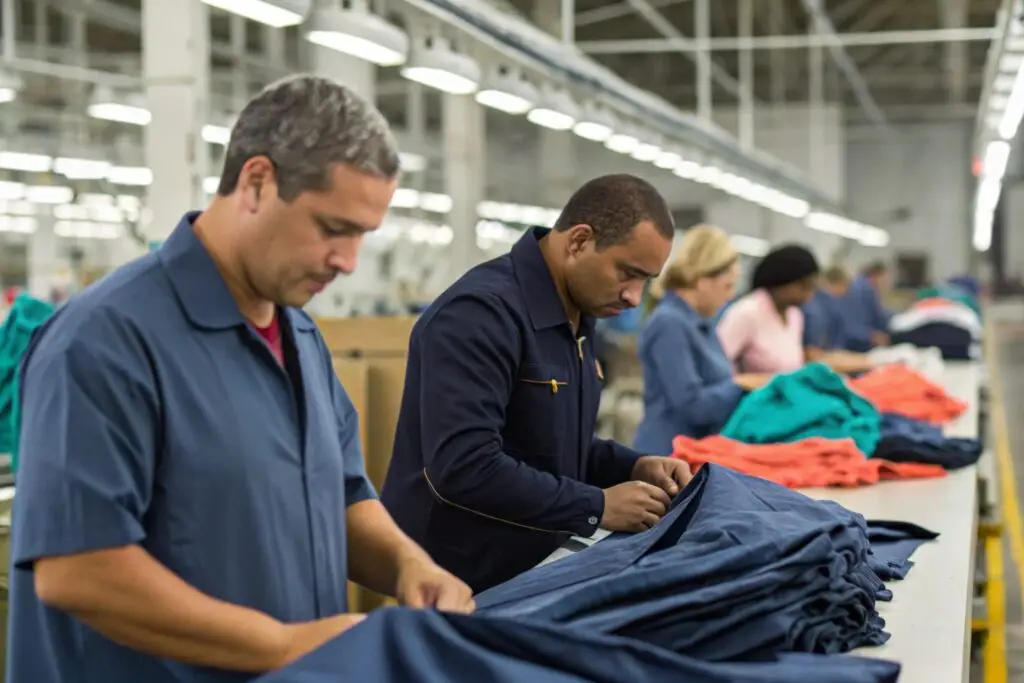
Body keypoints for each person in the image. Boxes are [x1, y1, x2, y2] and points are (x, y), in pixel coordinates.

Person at [8, 75, 473, 683]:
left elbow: (340, 497)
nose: (349, 261)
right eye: (333, 228)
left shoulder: (301, 339)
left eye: (363, 235)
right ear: (256, 183)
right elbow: (78, 570)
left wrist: (408, 565)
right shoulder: (102, 342)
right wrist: (283, 645)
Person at [381, 174, 693, 593]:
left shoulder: (579, 315)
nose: (634, 297)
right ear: (579, 241)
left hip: (532, 566)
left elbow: (551, 443)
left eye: (646, 281)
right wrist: (598, 505)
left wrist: (633, 466)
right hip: (459, 580)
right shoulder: (479, 314)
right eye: (627, 273)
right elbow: (464, 467)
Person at [633, 225, 770, 455]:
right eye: (727, 286)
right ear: (703, 279)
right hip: (668, 455)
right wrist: (741, 384)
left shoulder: (702, 325)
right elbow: (692, 406)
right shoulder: (669, 324)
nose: (730, 296)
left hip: (696, 451)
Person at [716, 244, 820, 374]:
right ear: (782, 281)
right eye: (804, 287)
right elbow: (715, 367)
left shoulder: (795, 315)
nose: (809, 295)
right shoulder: (747, 313)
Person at [840, 261, 891, 352]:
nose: (885, 281)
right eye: (884, 277)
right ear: (875, 275)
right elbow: (877, 318)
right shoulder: (866, 289)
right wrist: (872, 335)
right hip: (860, 342)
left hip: (857, 338)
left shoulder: (857, 285)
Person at [802, 264, 852, 354]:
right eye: (846, 286)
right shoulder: (825, 308)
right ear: (840, 284)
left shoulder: (813, 303)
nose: (846, 292)